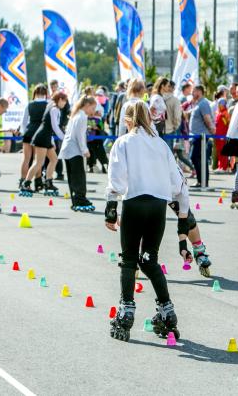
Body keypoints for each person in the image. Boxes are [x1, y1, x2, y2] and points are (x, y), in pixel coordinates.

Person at [105, 101, 189, 342]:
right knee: (150, 259)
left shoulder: (123, 142)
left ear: (128, 120)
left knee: (129, 259)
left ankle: (126, 311)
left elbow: (117, 177)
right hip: (157, 207)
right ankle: (167, 310)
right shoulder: (161, 145)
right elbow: (178, 183)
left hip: (134, 203)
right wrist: (182, 214)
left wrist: (111, 207)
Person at [19, 92, 67, 197]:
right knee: (38, 163)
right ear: (59, 99)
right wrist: (65, 138)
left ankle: (48, 182)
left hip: (46, 137)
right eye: (64, 100)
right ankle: (25, 183)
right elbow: (55, 127)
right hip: (42, 137)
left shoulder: (52, 107)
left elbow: (52, 127)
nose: (65, 103)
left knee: (54, 159)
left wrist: (53, 141)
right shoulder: (54, 109)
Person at [58, 95, 97, 212]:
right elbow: (80, 136)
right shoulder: (82, 116)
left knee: (72, 176)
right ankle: (80, 199)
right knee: (79, 176)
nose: (93, 111)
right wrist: (85, 150)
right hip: (75, 150)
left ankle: (75, 199)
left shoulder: (75, 114)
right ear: (87, 105)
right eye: (93, 108)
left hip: (67, 149)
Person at [19, 84, 48, 191]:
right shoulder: (48, 104)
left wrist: (23, 132)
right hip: (40, 132)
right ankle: (38, 181)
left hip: (29, 131)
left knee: (26, 159)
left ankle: (22, 180)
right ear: (45, 93)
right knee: (38, 160)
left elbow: (23, 121)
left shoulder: (29, 104)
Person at [189, 85, 215, 187]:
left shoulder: (203, 103)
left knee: (197, 158)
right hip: (197, 136)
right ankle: (201, 181)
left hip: (201, 136)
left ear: (199, 92)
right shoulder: (198, 103)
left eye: (193, 91)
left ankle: (203, 181)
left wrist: (212, 130)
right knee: (197, 158)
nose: (192, 93)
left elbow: (207, 118)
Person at [213, 86, 230, 171]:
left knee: (223, 152)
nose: (220, 105)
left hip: (222, 136)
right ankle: (220, 166)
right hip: (218, 136)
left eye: (221, 104)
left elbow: (226, 125)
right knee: (220, 152)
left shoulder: (225, 114)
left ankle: (224, 167)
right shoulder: (220, 113)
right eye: (219, 104)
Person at [162, 80, 182, 152]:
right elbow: (177, 117)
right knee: (168, 155)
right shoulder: (175, 100)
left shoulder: (157, 98)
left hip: (158, 130)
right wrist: (175, 127)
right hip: (169, 130)